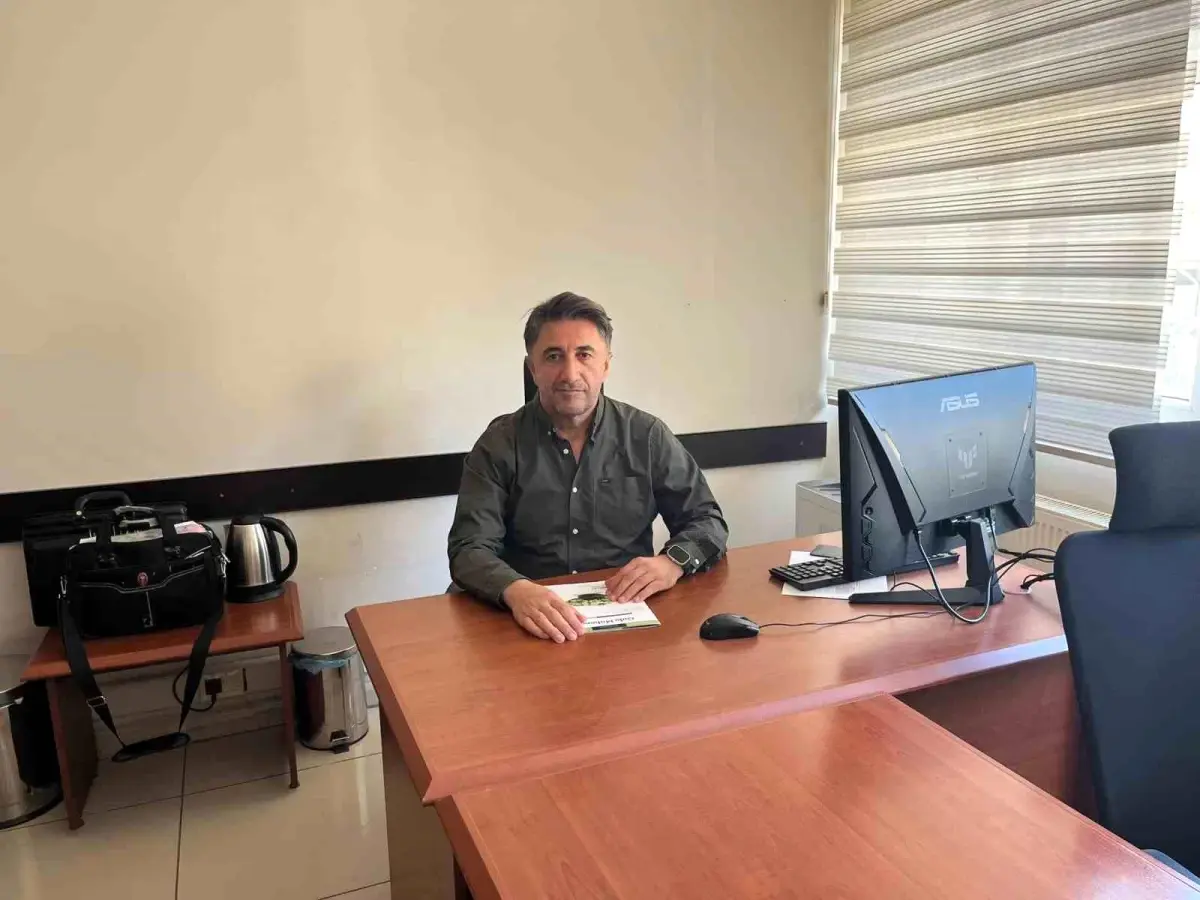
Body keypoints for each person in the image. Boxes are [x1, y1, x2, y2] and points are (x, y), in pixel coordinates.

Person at [448, 292, 729, 642]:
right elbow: (469, 548)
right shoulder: (500, 443)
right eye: (553, 356)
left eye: (584, 354)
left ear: (606, 365)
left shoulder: (646, 436)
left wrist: (671, 562)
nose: (570, 373)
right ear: (533, 368)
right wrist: (515, 589)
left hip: (625, 618)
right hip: (527, 621)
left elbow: (707, 521)